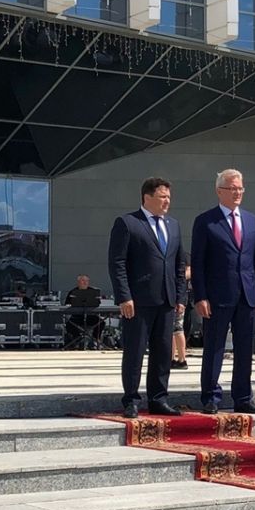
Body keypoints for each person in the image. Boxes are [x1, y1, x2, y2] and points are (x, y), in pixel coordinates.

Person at [107, 177, 187, 417]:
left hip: (167, 300)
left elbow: (179, 264)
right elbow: (117, 262)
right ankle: (131, 399)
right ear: (147, 197)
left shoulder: (173, 225)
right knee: (135, 351)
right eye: (162, 197)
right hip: (138, 301)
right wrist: (124, 296)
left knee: (163, 352)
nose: (167, 201)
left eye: (169, 197)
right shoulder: (128, 223)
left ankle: (158, 398)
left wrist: (180, 297)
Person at [192, 169, 255, 414]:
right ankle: (211, 397)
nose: (237, 193)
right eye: (232, 188)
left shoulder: (251, 221)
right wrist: (200, 296)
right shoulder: (206, 221)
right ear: (219, 191)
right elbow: (198, 263)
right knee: (214, 347)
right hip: (217, 296)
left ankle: (243, 397)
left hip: (246, 295)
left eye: (240, 188)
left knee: (245, 349)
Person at [63, 273, 104, 349]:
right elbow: (67, 305)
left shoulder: (93, 291)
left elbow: (97, 303)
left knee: (101, 322)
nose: (85, 282)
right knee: (69, 325)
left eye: (87, 281)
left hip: (90, 316)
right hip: (77, 317)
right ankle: (78, 340)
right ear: (78, 282)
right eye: (83, 280)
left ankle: (95, 340)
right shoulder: (72, 292)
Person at [171, 264, 190, 369]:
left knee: (178, 328)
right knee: (171, 330)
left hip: (178, 297)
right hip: (171, 295)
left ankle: (182, 359)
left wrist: (172, 276)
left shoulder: (183, 257)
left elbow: (189, 272)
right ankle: (171, 358)